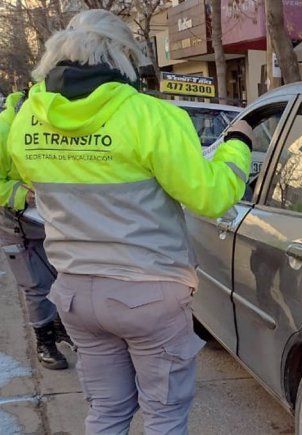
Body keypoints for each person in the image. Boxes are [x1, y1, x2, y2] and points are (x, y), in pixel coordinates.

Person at [6, 9, 255, 434]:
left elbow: (33, 183)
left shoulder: (28, 119)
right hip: (148, 293)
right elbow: (211, 197)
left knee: (106, 412)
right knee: (164, 415)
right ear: (124, 57)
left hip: (75, 293)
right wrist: (238, 147)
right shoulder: (151, 116)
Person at [0, 90, 72, 370]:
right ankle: (45, 343)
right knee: (35, 285)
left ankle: (59, 326)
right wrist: (21, 194)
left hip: (51, 220)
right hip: (14, 223)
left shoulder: (56, 123)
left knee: (63, 278)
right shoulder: (4, 131)